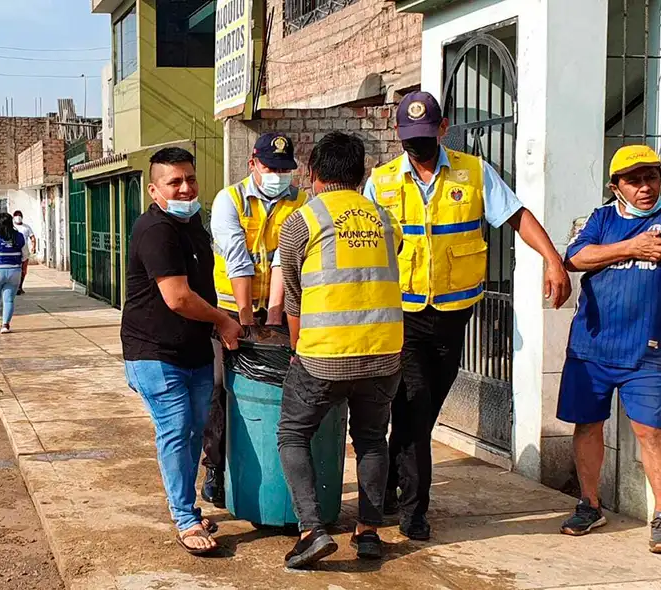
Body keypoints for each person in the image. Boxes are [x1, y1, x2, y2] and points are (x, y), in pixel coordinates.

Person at [364, 91, 572, 540]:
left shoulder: (473, 172)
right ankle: (413, 511)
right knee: (416, 409)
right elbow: (359, 244)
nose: (416, 146)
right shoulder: (380, 182)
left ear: (443, 128)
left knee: (420, 410)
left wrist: (553, 260)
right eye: (408, 138)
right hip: (402, 315)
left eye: (425, 135)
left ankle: (385, 490)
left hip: (454, 315)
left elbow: (516, 215)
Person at [276, 132, 403, 568]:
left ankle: (312, 530)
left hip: (325, 354)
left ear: (312, 175)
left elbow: (294, 296)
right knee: (370, 439)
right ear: (362, 174)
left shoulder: (301, 222)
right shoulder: (385, 218)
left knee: (293, 434)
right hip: (385, 353)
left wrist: (297, 350)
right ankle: (367, 532)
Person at [121, 147, 243, 556]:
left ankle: (186, 506)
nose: (185, 187)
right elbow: (177, 298)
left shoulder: (194, 224)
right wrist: (223, 320)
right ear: (154, 190)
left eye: (189, 178)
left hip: (192, 351)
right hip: (154, 353)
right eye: (174, 182)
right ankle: (185, 518)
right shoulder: (156, 230)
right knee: (176, 431)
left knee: (194, 433)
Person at [556, 145, 661, 553]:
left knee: (650, 432)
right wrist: (632, 247)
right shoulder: (598, 220)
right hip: (592, 347)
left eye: (651, 177)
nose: (645, 187)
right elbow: (575, 257)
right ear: (616, 187)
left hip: (646, 351)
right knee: (587, 426)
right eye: (634, 180)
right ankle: (589, 504)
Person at [202, 133, 309, 509]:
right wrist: (245, 323)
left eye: (284, 170)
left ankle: (272, 469)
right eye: (270, 168)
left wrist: (275, 318)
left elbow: (284, 256)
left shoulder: (299, 202)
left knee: (277, 392)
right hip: (230, 309)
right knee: (218, 387)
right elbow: (236, 257)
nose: (278, 175)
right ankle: (215, 468)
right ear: (252, 164)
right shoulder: (228, 200)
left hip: (276, 310)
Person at [13, 210, 36, 295]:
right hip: (14, 251)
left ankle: (20, 286)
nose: (18, 217)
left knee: (23, 270)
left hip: (24, 251)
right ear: (13, 217)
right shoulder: (12, 227)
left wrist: (33, 247)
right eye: (16, 215)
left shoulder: (26, 227)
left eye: (20, 215)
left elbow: (32, 237)